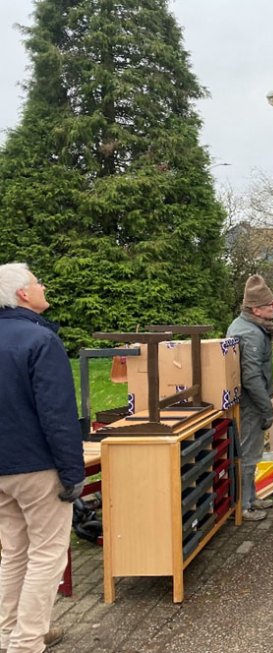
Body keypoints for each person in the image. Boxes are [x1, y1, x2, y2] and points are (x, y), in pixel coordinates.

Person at [0, 263, 84, 653]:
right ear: (22, 294)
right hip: (37, 466)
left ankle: (8, 634)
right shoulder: (40, 341)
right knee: (47, 555)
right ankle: (27, 642)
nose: (42, 285)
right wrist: (73, 472)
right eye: (36, 282)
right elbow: (58, 415)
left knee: (13, 552)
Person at [227, 274, 273, 522]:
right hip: (251, 404)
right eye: (270, 304)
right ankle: (245, 506)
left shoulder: (249, 326)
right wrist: (267, 409)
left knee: (254, 451)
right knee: (248, 454)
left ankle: (252, 497)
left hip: (249, 402)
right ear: (256, 309)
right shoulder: (252, 334)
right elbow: (251, 378)